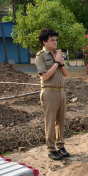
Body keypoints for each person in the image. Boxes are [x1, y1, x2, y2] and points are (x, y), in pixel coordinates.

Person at [35, 29, 70, 161]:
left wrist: (60, 62)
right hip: (49, 92)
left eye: (56, 40)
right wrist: (56, 63)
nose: (55, 42)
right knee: (50, 121)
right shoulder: (40, 56)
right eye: (52, 40)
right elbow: (45, 76)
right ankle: (51, 149)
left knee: (61, 121)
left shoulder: (58, 55)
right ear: (44, 42)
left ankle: (60, 145)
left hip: (61, 91)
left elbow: (66, 74)